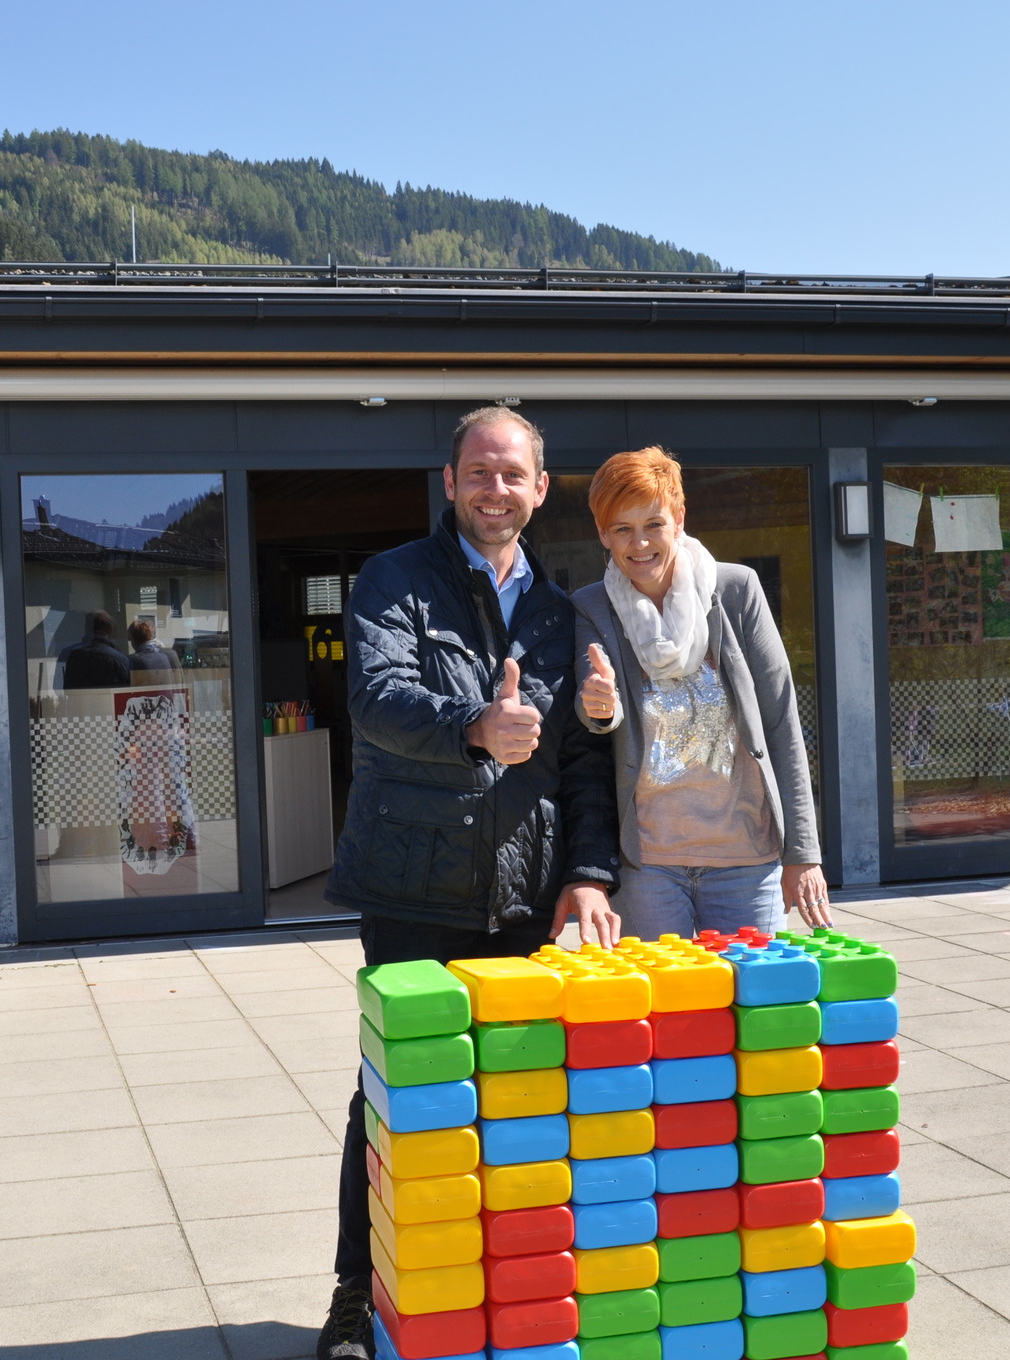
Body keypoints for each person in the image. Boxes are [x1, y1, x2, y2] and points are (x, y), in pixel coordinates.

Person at [317, 406, 621, 1360]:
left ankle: (498, 1299)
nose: (496, 489)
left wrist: (588, 873)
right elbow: (376, 700)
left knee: (518, 1099)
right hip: (413, 887)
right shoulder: (394, 578)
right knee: (396, 1099)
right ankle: (359, 1295)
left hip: (524, 898)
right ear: (450, 483)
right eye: (478, 472)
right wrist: (474, 727)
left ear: (540, 488)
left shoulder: (561, 611)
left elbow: (582, 762)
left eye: (513, 474)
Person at [573, 446, 833, 939]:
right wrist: (598, 706)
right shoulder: (591, 607)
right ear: (603, 534)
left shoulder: (736, 591)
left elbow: (781, 720)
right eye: (622, 528)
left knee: (752, 989)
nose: (639, 543)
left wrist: (803, 853)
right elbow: (591, 709)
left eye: (653, 524)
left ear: (679, 520)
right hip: (647, 865)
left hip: (746, 858)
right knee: (663, 991)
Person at [57, 609, 131, 690]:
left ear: (86, 628)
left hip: (78, 698)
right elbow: (125, 690)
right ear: (110, 630)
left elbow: (58, 687)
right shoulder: (120, 659)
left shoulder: (67, 654)